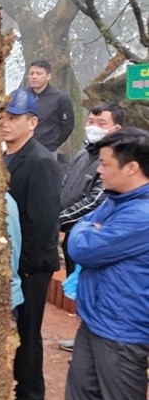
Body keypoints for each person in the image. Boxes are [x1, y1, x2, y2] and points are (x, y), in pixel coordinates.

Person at [27, 128, 149, 400]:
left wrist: (84, 228)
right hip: (97, 320)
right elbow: (85, 230)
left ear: (132, 168)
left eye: (106, 164)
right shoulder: (118, 199)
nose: (98, 170)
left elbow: (81, 246)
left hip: (124, 331)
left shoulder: (141, 215)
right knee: (81, 396)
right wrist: (88, 226)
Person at [1, 88, 62, 400]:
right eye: (3, 118)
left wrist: (23, 268)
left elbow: (43, 223)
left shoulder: (40, 162)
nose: (6, 125)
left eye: (14, 119)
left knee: (27, 335)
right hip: (11, 262)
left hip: (31, 268)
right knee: (13, 334)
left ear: (33, 122)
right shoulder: (4, 156)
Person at [58, 102, 125, 275]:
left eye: (101, 123)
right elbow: (65, 186)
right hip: (71, 236)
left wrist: (58, 220)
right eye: (90, 121)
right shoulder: (82, 154)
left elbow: (95, 201)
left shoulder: (115, 161)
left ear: (116, 128)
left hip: (89, 235)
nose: (94, 127)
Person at [25, 60, 75, 154]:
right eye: (31, 74)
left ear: (48, 76)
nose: (34, 77)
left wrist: (53, 143)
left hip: (47, 150)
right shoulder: (22, 96)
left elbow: (67, 126)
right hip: (23, 149)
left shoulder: (60, 98)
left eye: (39, 73)